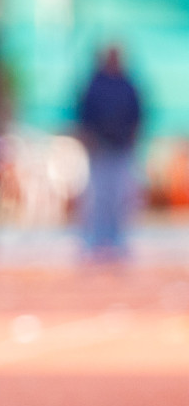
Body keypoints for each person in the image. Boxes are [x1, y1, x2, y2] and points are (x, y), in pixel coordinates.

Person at [76, 45, 143, 262]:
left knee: (121, 200)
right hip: (100, 150)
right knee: (97, 200)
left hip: (121, 149)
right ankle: (94, 242)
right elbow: (83, 115)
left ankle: (117, 242)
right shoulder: (94, 84)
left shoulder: (128, 84)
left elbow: (138, 114)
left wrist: (133, 138)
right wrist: (89, 139)